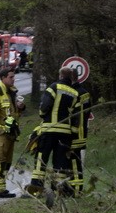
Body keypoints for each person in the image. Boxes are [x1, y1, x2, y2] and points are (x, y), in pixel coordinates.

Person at [28, 67, 80, 196]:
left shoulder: (54, 87)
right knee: (60, 162)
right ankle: (58, 191)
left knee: (42, 158)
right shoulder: (75, 93)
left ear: (60, 75)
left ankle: (36, 190)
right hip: (65, 134)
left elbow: (44, 106)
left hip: (49, 130)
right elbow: (76, 116)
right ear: (71, 77)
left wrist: (42, 114)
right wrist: (72, 133)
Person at [0, 67, 25, 199]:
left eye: (14, 77)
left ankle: (1, 187)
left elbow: (13, 114)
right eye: (11, 77)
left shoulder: (11, 93)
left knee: (6, 162)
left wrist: (20, 108)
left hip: (10, 134)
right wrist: (0, 130)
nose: (14, 79)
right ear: (2, 78)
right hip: (1, 135)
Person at [68, 77, 92, 195]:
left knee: (72, 161)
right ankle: (78, 187)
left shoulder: (72, 93)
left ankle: (75, 188)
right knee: (77, 160)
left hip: (73, 133)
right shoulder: (85, 93)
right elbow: (88, 112)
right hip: (82, 132)